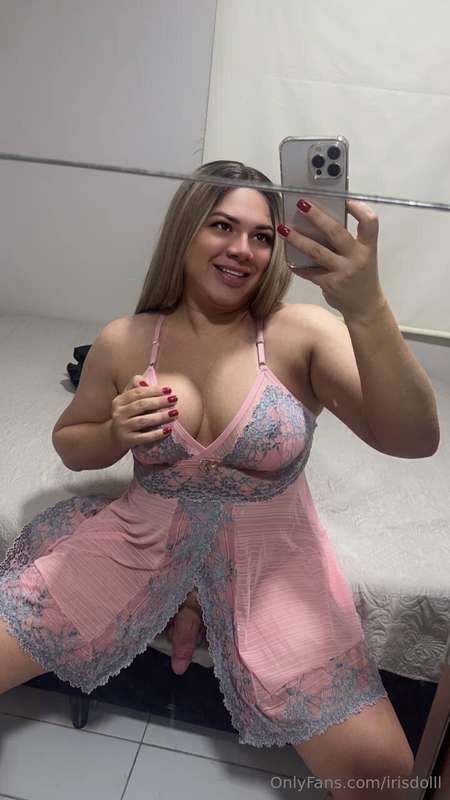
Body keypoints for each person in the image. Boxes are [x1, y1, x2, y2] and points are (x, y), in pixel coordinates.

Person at [0, 160, 439, 799]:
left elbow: (416, 440)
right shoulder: (125, 340)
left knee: (386, 778)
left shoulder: (299, 332)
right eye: (222, 226)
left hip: (273, 562)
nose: (242, 249)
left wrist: (367, 307)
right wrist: (115, 431)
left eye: (261, 235)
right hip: (137, 542)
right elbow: (71, 446)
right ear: (186, 232)